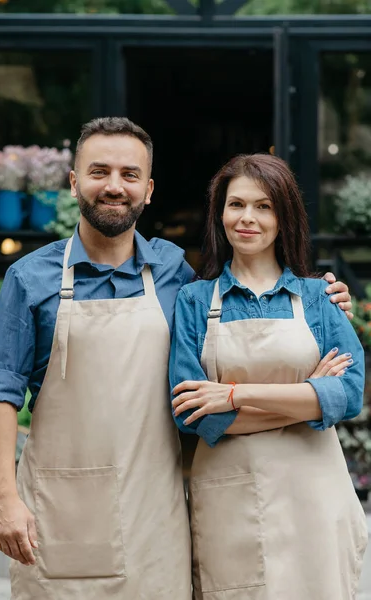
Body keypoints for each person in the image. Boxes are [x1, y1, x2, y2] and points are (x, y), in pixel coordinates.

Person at [0, 119, 351, 599]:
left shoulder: (176, 273)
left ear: (148, 190)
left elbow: (246, 306)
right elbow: (1, 391)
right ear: (74, 182)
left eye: (130, 174)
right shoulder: (30, 278)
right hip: (61, 515)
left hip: (160, 519)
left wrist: (321, 295)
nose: (114, 186)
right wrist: (4, 498)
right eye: (99, 171)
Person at [170, 153, 368, 600]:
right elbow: (193, 415)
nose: (248, 218)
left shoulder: (319, 297)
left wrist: (234, 396)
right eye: (236, 204)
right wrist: (306, 398)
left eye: (264, 206)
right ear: (219, 213)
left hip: (313, 497)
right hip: (230, 498)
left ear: (284, 217)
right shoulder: (195, 301)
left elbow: (349, 394)